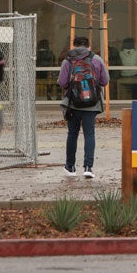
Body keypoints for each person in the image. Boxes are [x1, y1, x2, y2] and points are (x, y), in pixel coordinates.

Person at [58, 36, 109, 178]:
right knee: (90, 134)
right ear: (88, 45)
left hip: (73, 104)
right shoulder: (96, 59)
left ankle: (70, 167)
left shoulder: (68, 60)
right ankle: (88, 167)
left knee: (72, 134)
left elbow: (62, 82)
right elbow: (105, 81)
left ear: (73, 45)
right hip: (92, 104)